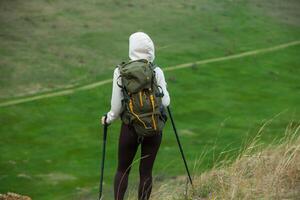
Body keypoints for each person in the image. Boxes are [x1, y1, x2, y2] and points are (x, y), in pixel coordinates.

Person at [101, 32, 170, 200]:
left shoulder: (120, 72)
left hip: (130, 128)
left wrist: (108, 119)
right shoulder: (156, 71)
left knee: (122, 170)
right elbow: (166, 102)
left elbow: (116, 108)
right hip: (153, 128)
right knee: (146, 172)